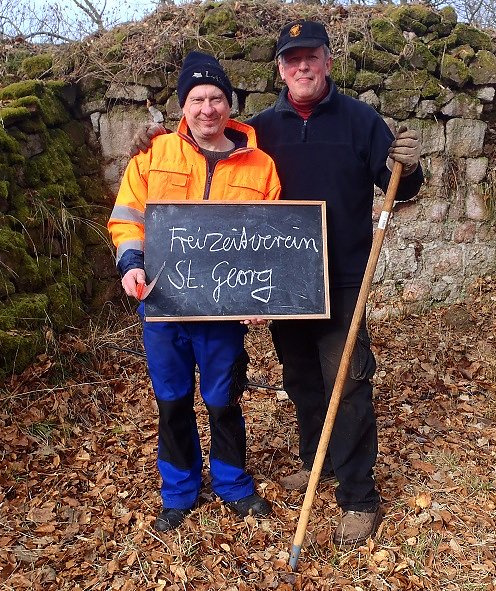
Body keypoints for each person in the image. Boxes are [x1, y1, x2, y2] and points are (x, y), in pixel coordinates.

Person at [131, 21, 422, 546]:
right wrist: (152, 138)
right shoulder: (263, 128)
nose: (302, 66)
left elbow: (398, 185)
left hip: (343, 278)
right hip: (286, 281)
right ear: (280, 69)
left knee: (347, 383)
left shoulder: (361, 121)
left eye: (311, 56)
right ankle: (316, 462)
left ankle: (358, 496)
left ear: (328, 61)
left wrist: (412, 167)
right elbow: (205, 141)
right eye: (292, 59)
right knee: (301, 378)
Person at [108, 51, 282, 533]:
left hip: (223, 312)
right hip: (163, 305)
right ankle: (179, 491)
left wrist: (262, 297)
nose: (208, 109)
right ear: (183, 105)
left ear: (230, 104)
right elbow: (128, 218)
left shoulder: (261, 166)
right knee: (172, 401)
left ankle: (232, 484)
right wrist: (130, 264)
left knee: (224, 401)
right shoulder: (154, 154)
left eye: (217, 98)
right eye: (198, 99)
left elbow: (271, 240)